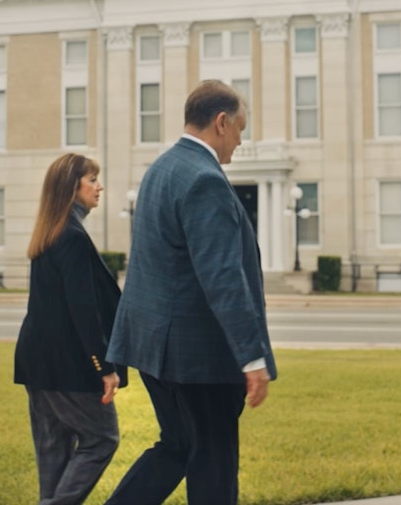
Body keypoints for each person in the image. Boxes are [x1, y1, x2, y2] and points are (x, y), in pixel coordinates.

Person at [105, 79, 277, 505]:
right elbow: (222, 276)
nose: (240, 140)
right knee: (214, 463)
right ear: (221, 122)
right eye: (240, 128)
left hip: (155, 350)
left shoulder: (161, 169)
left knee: (178, 446)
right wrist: (251, 356)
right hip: (199, 357)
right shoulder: (205, 180)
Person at [14, 153, 127, 505]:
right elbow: (83, 312)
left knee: (54, 454)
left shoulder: (49, 234)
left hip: (38, 364)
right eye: (92, 179)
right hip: (69, 367)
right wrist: (104, 368)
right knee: (102, 438)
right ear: (71, 186)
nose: (100, 186)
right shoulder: (72, 237)